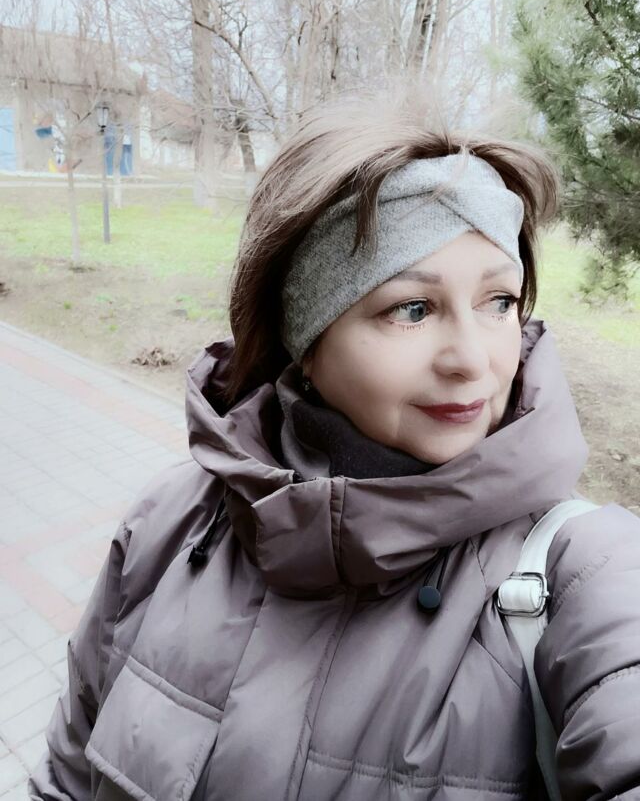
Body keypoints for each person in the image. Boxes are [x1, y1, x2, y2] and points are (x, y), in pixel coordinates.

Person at [29, 88, 640, 801]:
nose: (473, 360)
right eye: (413, 309)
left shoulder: (580, 575)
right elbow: (66, 778)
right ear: (307, 343)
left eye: (499, 301)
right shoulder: (171, 525)